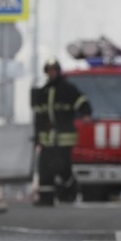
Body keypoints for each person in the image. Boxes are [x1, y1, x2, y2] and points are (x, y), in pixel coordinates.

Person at [32, 58, 91, 206]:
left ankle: (70, 191)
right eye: (49, 71)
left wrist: (86, 113)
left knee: (62, 166)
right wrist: (37, 137)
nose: (51, 73)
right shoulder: (43, 92)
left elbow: (82, 102)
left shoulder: (68, 88)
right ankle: (46, 198)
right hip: (47, 139)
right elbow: (39, 116)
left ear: (58, 71)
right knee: (45, 168)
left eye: (54, 70)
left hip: (65, 137)